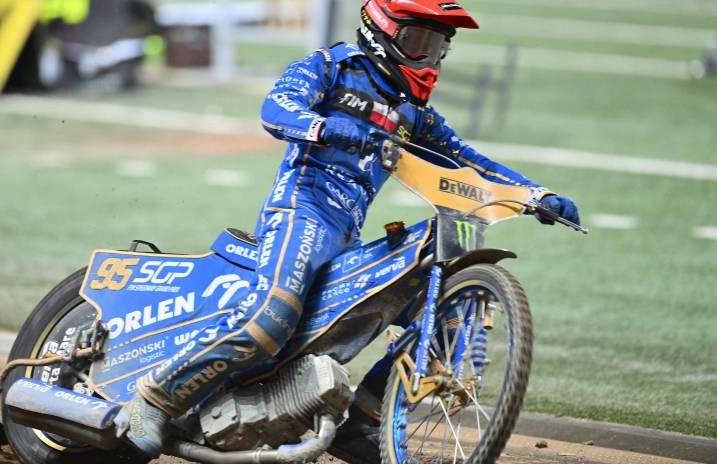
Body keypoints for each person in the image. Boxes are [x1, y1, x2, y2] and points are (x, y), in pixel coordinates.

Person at [115, 0, 580, 460]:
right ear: (380, 32)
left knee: (430, 310)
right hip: (302, 213)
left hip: (347, 236)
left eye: (437, 46)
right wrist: (330, 129)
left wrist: (535, 195)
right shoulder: (330, 67)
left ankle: (365, 421)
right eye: (418, 42)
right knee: (271, 317)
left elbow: (469, 161)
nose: (429, 57)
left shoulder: (412, 113)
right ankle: (153, 399)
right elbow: (276, 110)